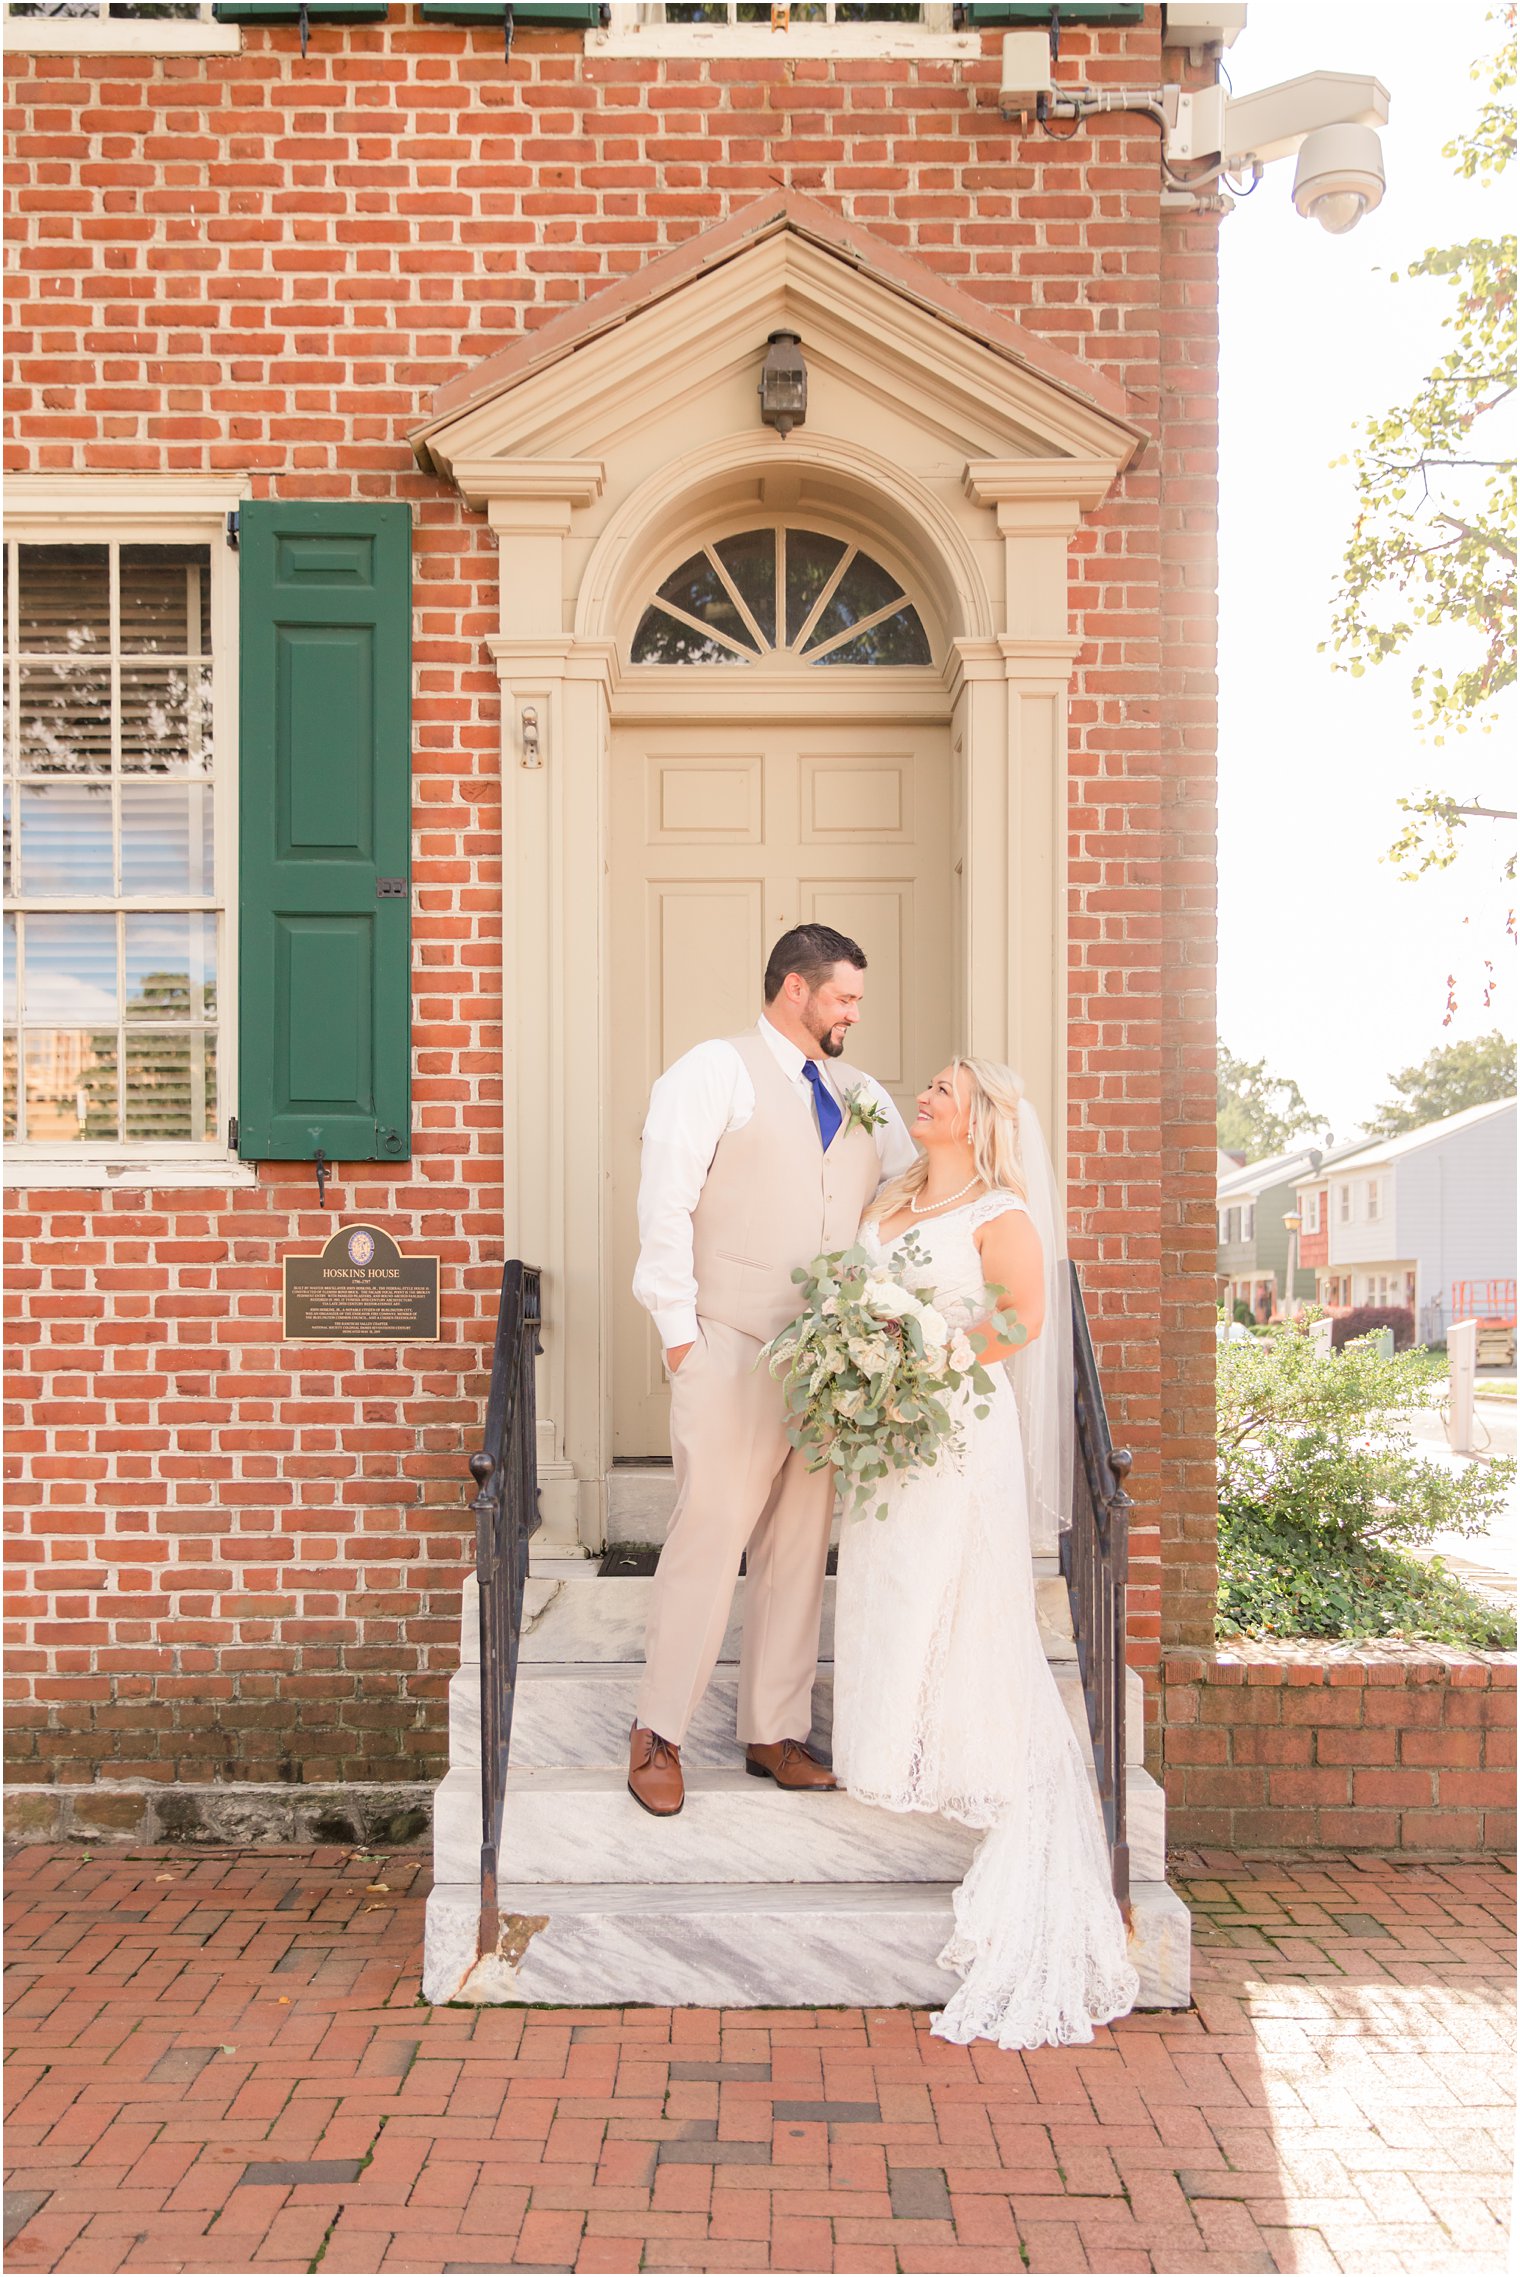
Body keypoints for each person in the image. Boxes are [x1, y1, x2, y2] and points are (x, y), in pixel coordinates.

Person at [831, 1056, 1140, 2049]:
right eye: (923, 1087)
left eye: (942, 1092)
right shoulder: (887, 1196)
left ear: (981, 1121)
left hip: (956, 1430)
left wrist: (923, 1353)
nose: (923, 1097)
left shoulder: (999, 1211)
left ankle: (963, 1755)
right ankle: (887, 1750)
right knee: (889, 1587)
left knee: (955, 1590)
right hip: (884, 1437)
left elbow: (1017, 1320)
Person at [627, 923, 917, 1816]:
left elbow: (906, 1192)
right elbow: (665, 1202)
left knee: (799, 1545)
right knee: (710, 1535)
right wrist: (682, 1338)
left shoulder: (864, 1094)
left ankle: (774, 1730)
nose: (852, 1016)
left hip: (831, 1364)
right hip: (731, 1344)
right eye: (843, 998)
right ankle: (657, 1733)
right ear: (796, 988)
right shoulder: (712, 1071)